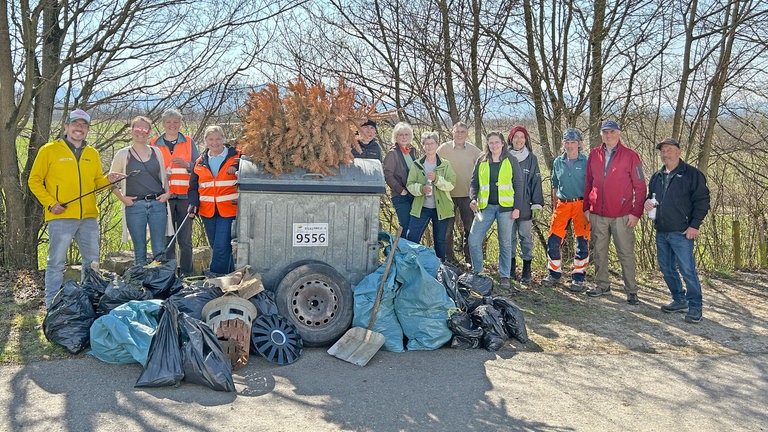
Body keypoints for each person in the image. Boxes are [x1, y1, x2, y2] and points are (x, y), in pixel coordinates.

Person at [28, 109, 121, 307]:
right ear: (66, 127)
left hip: (88, 217)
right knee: (55, 264)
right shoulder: (49, 150)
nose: (79, 128)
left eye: (83, 125)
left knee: (92, 263)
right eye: (75, 124)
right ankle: (52, 304)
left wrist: (108, 180)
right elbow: (34, 180)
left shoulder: (92, 153)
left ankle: (91, 302)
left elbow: (96, 183)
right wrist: (51, 203)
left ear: (87, 130)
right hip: (61, 216)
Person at [645, 138, 710, 323]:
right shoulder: (657, 176)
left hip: (682, 232)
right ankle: (679, 299)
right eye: (663, 150)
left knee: (687, 269)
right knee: (666, 268)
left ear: (679, 152)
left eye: (669, 150)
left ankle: (695, 306)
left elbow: (702, 201)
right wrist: (648, 203)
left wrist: (694, 225)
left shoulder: (692, 174)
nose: (665, 153)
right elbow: (652, 198)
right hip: (662, 230)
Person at [583, 120, 647, 304]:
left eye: (612, 132)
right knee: (599, 252)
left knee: (625, 253)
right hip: (597, 214)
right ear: (601, 134)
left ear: (619, 133)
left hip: (622, 215)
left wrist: (636, 213)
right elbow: (588, 182)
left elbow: (640, 187)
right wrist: (586, 207)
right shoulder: (594, 154)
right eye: (605, 132)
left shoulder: (631, 156)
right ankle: (602, 285)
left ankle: (632, 290)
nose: (608, 135)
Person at [110, 116, 171, 266]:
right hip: (135, 206)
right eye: (137, 128)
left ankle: (159, 283)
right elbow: (110, 181)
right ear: (131, 130)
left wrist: (167, 194)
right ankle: (140, 282)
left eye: (145, 129)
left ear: (149, 131)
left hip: (157, 204)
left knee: (159, 249)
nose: (141, 132)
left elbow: (163, 176)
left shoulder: (157, 152)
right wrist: (123, 198)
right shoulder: (124, 154)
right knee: (140, 250)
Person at [468, 131, 523, 289]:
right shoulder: (482, 160)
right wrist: (473, 198)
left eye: (497, 142)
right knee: (473, 240)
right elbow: (474, 183)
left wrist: (517, 208)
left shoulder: (511, 160)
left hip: (506, 209)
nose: (494, 145)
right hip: (485, 207)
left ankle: (504, 275)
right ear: (487, 144)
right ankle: (478, 272)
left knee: (505, 242)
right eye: (491, 143)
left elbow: (519, 185)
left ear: (503, 143)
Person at [150, 109, 199, 277]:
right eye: (169, 122)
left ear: (180, 124)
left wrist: (187, 164)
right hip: (164, 197)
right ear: (163, 124)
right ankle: (168, 275)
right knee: (167, 239)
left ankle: (187, 274)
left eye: (176, 122)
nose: (172, 125)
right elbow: (149, 170)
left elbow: (199, 167)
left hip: (185, 197)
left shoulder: (188, 142)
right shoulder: (154, 143)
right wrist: (162, 173)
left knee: (185, 240)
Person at [542, 128, 591, 292]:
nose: (570, 146)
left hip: (581, 204)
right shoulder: (558, 162)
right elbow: (555, 184)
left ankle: (578, 277)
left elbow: (593, 185)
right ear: (563, 144)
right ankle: (554, 273)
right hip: (562, 204)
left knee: (582, 241)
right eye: (567, 142)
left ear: (579, 144)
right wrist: (555, 203)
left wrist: (590, 207)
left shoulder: (586, 161)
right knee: (553, 240)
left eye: (573, 142)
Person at [188, 125, 241, 276]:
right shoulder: (200, 162)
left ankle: (214, 278)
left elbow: (249, 167)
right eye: (211, 139)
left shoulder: (236, 156)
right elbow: (193, 188)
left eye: (218, 139)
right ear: (205, 141)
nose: (215, 142)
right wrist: (193, 204)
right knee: (216, 246)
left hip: (228, 210)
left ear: (223, 139)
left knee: (221, 246)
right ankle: (230, 277)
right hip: (207, 210)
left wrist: (237, 167)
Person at [405, 132, 457, 261]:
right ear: (423, 146)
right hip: (421, 207)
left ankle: (440, 268)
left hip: (441, 209)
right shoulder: (417, 164)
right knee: (412, 237)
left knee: (440, 240)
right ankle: (411, 264)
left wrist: (437, 179)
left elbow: (451, 184)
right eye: (426, 144)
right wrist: (421, 189)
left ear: (437, 145)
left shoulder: (445, 164)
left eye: (432, 143)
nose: (429, 146)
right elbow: (410, 184)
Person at [437, 122, 481, 265]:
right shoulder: (443, 149)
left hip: (468, 196)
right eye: (457, 132)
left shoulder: (474, 151)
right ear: (452, 133)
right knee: (446, 230)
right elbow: (433, 164)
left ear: (467, 133)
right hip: (447, 195)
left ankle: (470, 259)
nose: (460, 134)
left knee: (470, 228)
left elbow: (483, 170)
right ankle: (448, 259)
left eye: (463, 132)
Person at [507, 126, 544, 283]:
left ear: (526, 140)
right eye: (516, 137)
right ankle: (510, 268)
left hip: (525, 205)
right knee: (509, 238)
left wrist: (536, 203)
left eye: (522, 137)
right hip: (507, 205)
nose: (519, 140)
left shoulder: (531, 158)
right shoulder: (504, 157)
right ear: (511, 139)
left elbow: (536, 182)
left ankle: (527, 270)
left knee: (525, 236)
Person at [383, 122, 417, 237]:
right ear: (396, 137)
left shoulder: (412, 152)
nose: (404, 137)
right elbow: (387, 175)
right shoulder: (393, 154)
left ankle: (410, 253)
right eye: (400, 135)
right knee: (405, 226)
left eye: (406, 134)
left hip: (413, 195)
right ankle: (400, 252)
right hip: (400, 196)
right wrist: (400, 190)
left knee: (412, 228)